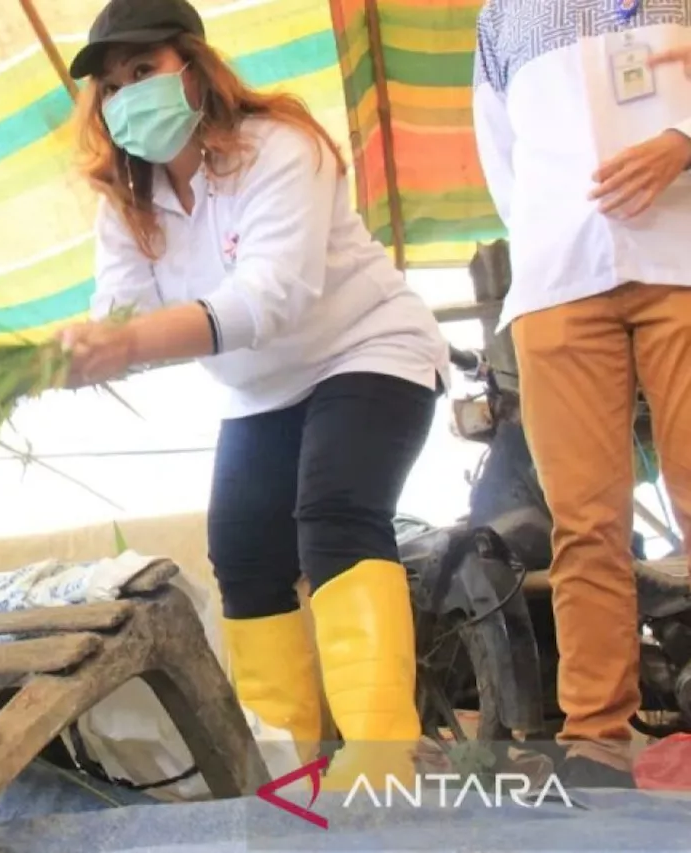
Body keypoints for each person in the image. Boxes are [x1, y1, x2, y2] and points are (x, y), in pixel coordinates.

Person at [59, 0, 451, 789]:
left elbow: (271, 296)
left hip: (366, 348)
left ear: (194, 69)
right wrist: (82, 349)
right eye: (110, 84)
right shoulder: (127, 201)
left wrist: (126, 341)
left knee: (335, 514)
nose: (125, 93)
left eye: (144, 71)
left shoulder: (280, 148)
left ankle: (382, 755)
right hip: (260, 391)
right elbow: (122, 315)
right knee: (242, 550)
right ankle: (287, 760)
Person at [472, 0, 691, 787]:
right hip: (560, 277)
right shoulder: (502, 17)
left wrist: (683, 142)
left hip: (685, 256)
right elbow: (505, 156)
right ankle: (597, 736)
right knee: (585, 519)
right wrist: (555, 230)